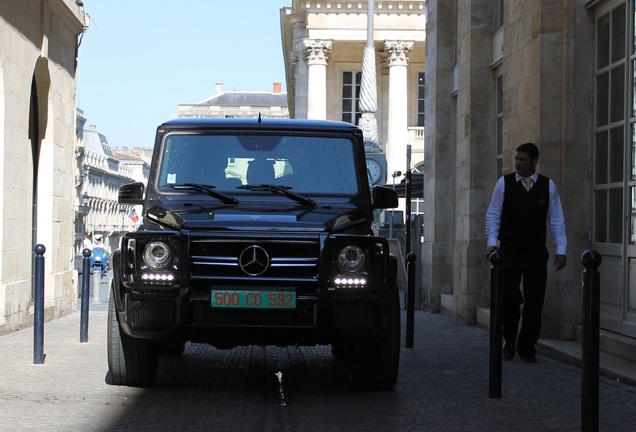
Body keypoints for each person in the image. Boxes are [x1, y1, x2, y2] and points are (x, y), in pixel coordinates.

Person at [485, 142, 567, 363]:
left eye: (523, 160)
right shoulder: (504, 184)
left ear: (534, 161)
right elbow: (493, 214)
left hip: (536, 252)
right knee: (509, 297)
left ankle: (527, 347)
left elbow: (557, 220)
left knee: (535, 302)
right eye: (516, 159)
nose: (518, 163)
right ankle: (509, 339)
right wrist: (492, 243)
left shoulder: (548, 187)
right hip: (510, 250)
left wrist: (561, 250)